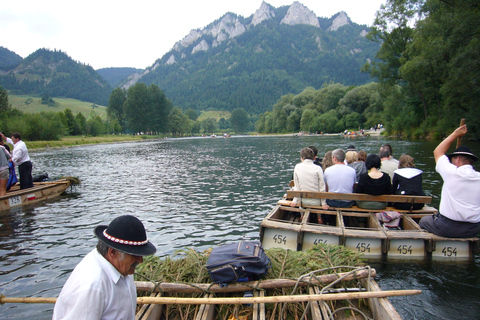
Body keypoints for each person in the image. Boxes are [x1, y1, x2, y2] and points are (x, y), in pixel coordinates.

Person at [52, 215, 157, 320]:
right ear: (113, 252)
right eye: (134, 254)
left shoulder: (122, 267)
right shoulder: (91, 287)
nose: (140, 260)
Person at [419, 125, 480, 238]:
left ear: (457, 159)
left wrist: (455, 134)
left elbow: (438, 152)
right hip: (472, 229)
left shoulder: (451, 172)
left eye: (452, 160)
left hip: (448, 227)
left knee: (423, 221)